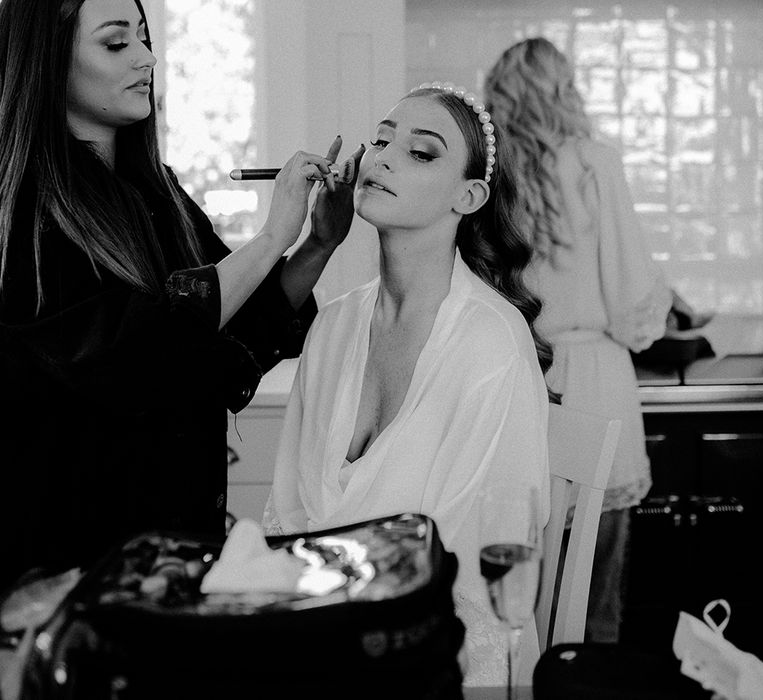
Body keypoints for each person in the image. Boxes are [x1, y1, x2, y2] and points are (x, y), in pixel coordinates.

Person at [0, 0, 362, 591]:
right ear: (48, 62)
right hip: (77, 548)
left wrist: (317, 245)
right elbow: (146, 342)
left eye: (144, 38)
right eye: (117, 44)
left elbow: (238, 322)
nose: (148, 58)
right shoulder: (28, 213)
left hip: (181, 536)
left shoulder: (159, 193)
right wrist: (272, 236)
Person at [263, 81, 553, 686]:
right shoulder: (335, 323)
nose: (382, 158)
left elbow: (470, 559)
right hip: (316, 635)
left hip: (436, 653)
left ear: (469, 196)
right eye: (380, 140)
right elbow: (286, 512)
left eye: (421, 153)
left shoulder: (491, 345)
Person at [484, 37, 673, 643]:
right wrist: (651, 318)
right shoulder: (593, 161)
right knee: (594, 598)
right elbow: (631, 293)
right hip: (596, 379)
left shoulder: (491, 171)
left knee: (516, 597)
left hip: (518, 378)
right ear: (563, 90)